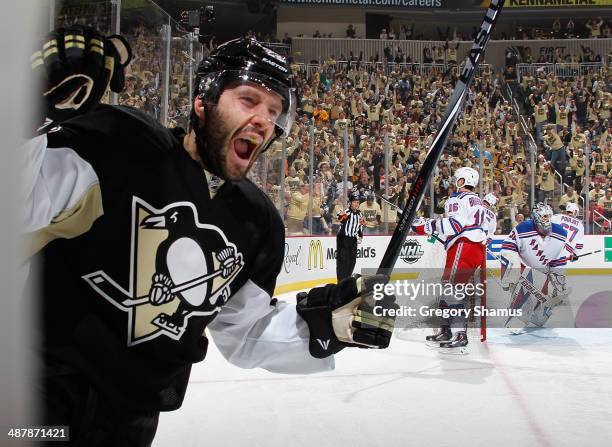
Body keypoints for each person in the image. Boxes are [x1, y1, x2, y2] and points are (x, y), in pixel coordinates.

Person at [24, 29, 396, 446]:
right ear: (202, 102)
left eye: (274, 112)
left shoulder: (256, 223)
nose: (263, 120)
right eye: (249, 100)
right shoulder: (119, 143)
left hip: (130, 423)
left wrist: (326, 324)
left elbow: (247, 333)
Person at [413, 167, 490, 350]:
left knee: (452, 289)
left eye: (457, 179)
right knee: (447, 286)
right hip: (476, 249)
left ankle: (460, 334)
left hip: (464, 247)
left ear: (462, 181)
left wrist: (426, 225)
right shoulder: (477, 200)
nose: (455, 182)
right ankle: (446, 329)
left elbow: (454, 225)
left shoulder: (457, 198)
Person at [499, 203, 571, 326]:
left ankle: (535, 314)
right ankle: (515, 318)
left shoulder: (560, 233)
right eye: (543, 216)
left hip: (542, 273)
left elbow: (558, 258)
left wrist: (558, 279)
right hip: (523, 269)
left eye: (548, 216)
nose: (546, 219)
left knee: (539, 319)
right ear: (536, 217)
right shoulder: (523, 228)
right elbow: (507, 247)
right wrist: (512, 270)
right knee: (522, 303)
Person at [336, 192, 364, 281]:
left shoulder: (360, 214)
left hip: (353, 240)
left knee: (352, 261)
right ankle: (340, 282)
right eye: (354, 202)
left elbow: (360, 226)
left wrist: (360, 236)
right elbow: (340, 220)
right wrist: (341, 215)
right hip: (343, 239)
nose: (356, 204)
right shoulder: (347, 212)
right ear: (350, 203)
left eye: (357, 202)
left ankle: (347, 280)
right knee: (343, 261)